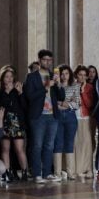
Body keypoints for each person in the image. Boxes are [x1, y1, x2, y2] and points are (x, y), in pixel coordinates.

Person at [24, 49, 64, 184]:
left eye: (50, 60)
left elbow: (61, 97)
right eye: (45, 59)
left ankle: (47, 173)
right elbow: (30, 96)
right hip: (38, 116)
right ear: (40, 60)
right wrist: (46, 87)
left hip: (53, 115)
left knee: (49, 145)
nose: (48, 62)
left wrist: (58, 85)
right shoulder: (31, 77)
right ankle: (37, 174)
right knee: (37, 145)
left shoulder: (53, 75)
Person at [0, 66, 29, 181]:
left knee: (19, 149)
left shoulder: (18, 90)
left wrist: (21, 93)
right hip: (4, 123)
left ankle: (24, 172)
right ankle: (6, 173)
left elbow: (24, 107)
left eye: (11, 76)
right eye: (7, 77)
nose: (9, 79)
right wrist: (6, 92)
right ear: (2, 78)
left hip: (17, 124)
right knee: (5, 149)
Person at [53, 65, 80, 180]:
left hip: (70, 116)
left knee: (69, 144)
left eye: (66, 73)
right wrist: (63, 102)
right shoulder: (54, 86)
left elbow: (77, 103)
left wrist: (66, 104)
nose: (64, 76)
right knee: (58, 144)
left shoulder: (75, 86)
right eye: (62, 74)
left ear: (70, 74)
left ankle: (71, 173)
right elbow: (53, 101)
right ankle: (57, 173)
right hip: (57, 116)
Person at [73, 65, 95, 180]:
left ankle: (88, 168)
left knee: (86, 143)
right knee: (76, 143)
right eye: (80, 75)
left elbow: (90, 104)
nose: (82, 77)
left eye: (84, 75)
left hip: (85, 117)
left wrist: (83, 92)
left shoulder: (89, 87)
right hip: (73, 117)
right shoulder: (71, 86)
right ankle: (77, 169)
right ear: (76, 75)